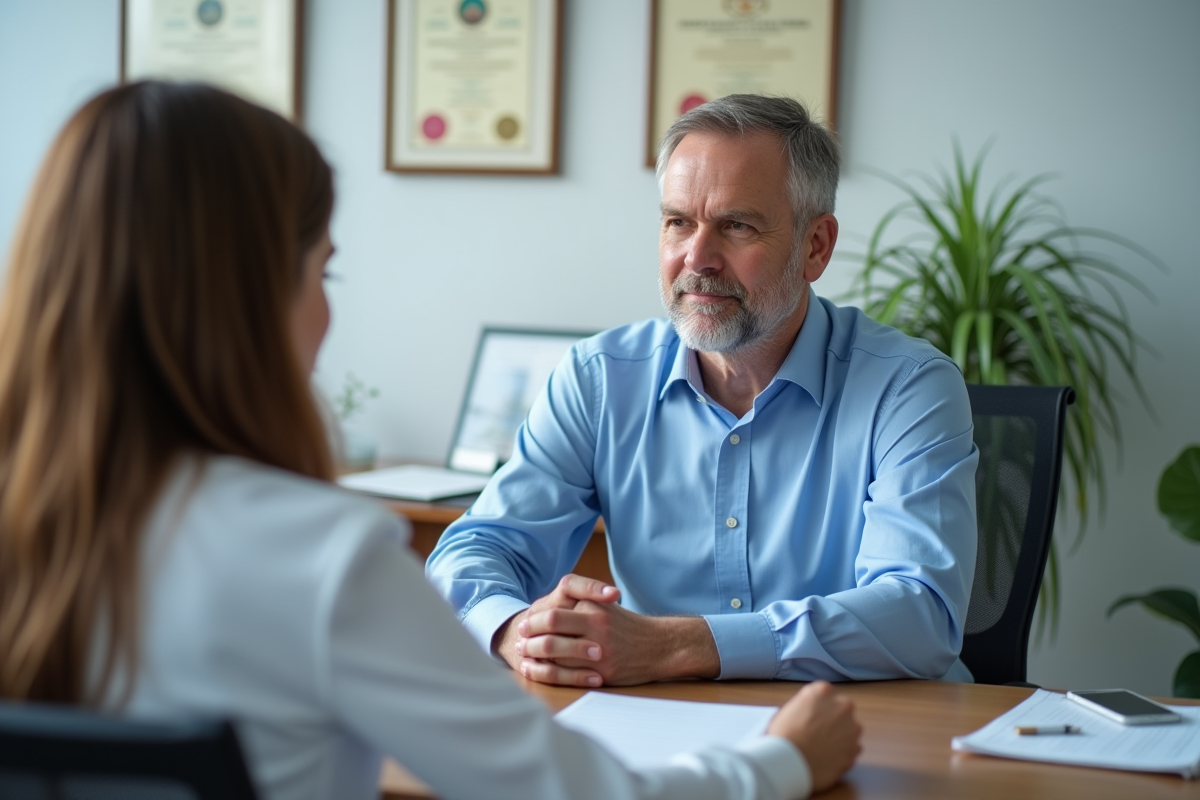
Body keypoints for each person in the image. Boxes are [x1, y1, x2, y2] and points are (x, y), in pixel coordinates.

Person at [0, 82, 860, 800]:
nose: (327, 313)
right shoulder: (324, 562)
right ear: (244, 298)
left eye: (737, 226)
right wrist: (784, 761)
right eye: (323, 270)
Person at [426, 94, 979, 689]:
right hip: (660, 722)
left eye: (737, 226)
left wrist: (673, 646)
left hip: (866, 721)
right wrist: (515, 631)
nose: (697, 257)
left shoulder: (908, 388)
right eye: (678, 222)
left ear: (815, 246)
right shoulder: (599, 378)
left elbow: (919, 613)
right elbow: (475, 550)